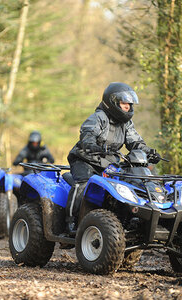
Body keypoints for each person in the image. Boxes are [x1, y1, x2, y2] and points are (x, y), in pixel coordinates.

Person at [65, 82, 162, 232]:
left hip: (109, 163)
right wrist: (93, 145)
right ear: (113, 102)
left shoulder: (126, 123)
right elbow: (87, 136)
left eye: (129, 104)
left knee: (128, 184)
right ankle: (71, 222)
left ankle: (127, 222)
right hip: (85, 159)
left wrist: (149, 152)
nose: (128, 107)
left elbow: (135, 142)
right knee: (83, 184)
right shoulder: (98, 117)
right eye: (124, 103)